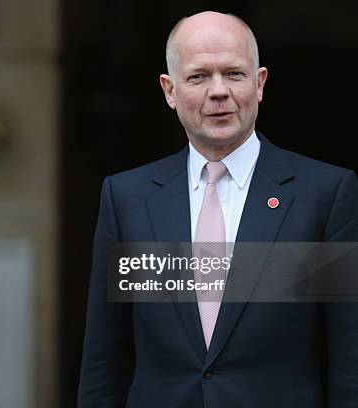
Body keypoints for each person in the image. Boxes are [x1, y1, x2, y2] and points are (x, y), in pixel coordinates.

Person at [78, 11, 358, 407]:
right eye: (198, 76)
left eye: (234, 73)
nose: (218, 91)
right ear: (169, 90)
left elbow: (348, 358)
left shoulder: (323, 196)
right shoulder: (129, 199)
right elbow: (105, 359)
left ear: (260, 83)